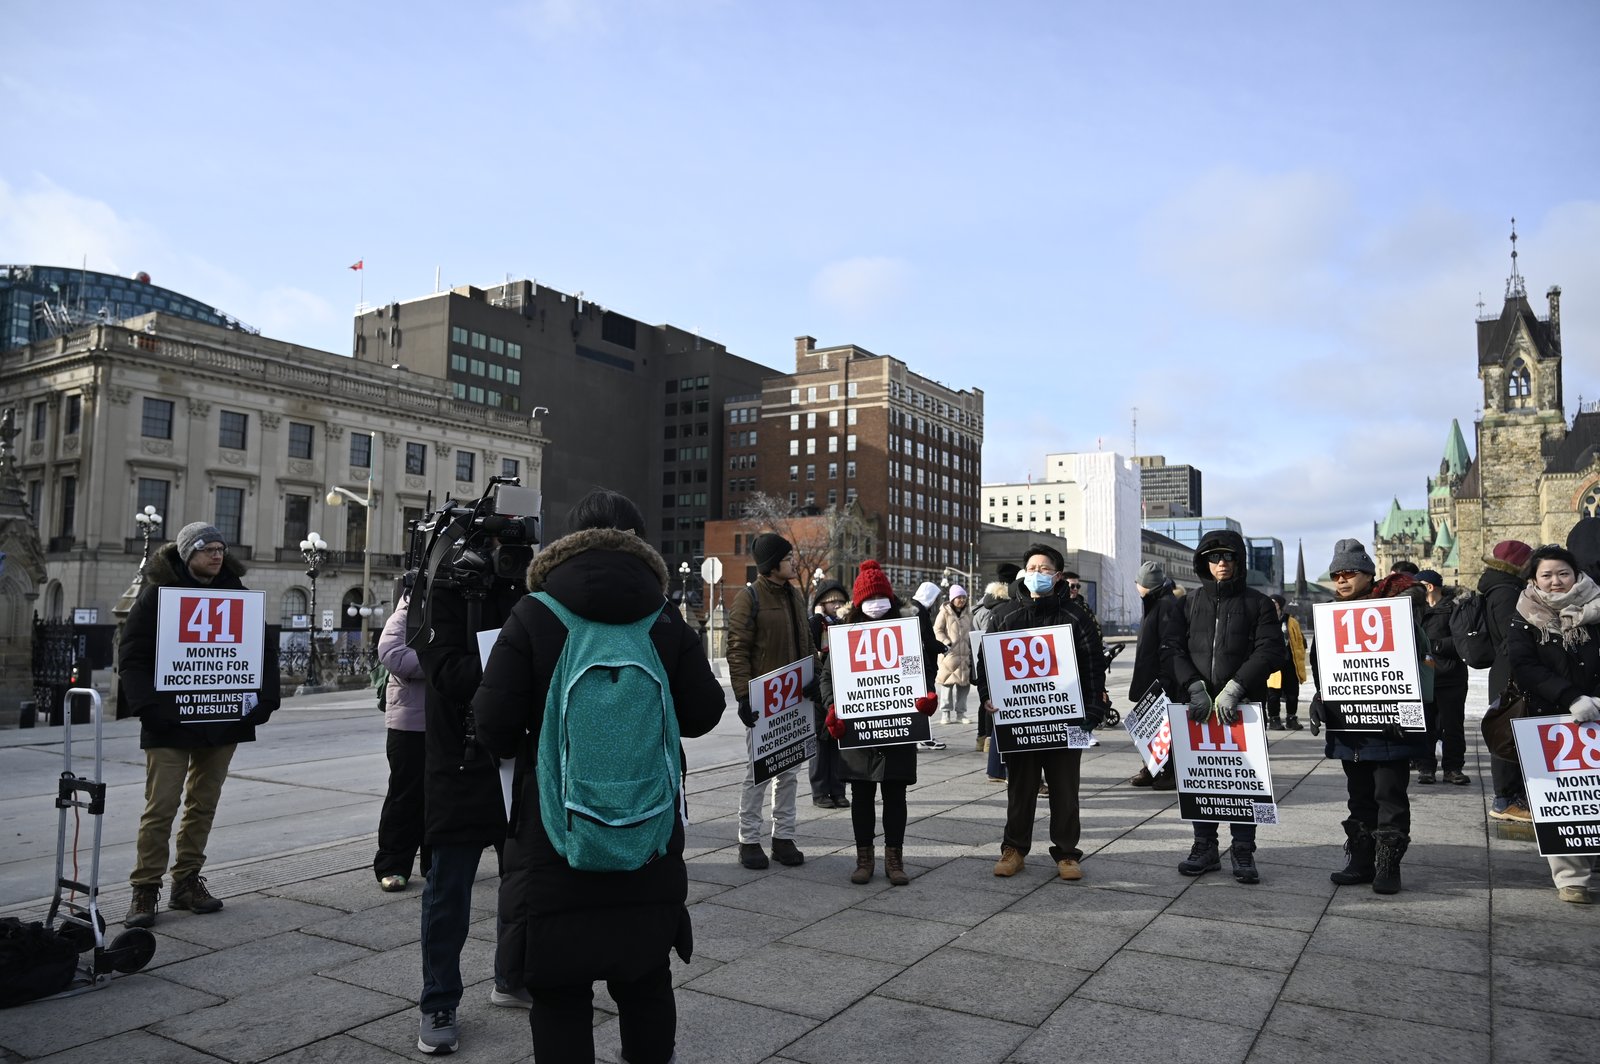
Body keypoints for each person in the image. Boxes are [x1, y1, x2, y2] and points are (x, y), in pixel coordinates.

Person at [474, 488, 726, 1062]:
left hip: (555, 837)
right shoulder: (662, 616)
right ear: (638, 542)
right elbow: (705, 713)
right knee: (646, 987)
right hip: (649, 838)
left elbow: (491, 724)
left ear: (569, 540)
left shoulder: (535, 611)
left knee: (559, 994)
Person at [118, 522, 279, 928]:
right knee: (161, 807)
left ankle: (187, 881)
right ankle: (145, 888)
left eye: (221, 549)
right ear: (187, 553)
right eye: (208, 548)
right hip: (169, 718)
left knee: (203, 804)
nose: (217, 555)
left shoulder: (236, 595)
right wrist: (147, 708)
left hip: (222, 719)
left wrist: (266, 700)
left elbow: (263, 651)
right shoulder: (157, 596)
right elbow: (132, 655)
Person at [410, 524, 530, 1052]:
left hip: (515, 753)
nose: (506, 558)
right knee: (449, 889)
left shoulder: (528, 593)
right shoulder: (441, 591)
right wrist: (510, 666)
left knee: (523, 881)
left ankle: (513, 977)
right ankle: (439, 1001)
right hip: (458, 757)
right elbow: (447, 673)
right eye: (496, 546)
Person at [977, 544, 1108, 882]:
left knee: (1066, 789)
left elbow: (1095, 664)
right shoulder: (1005, 614)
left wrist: (1093, 710)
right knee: (1020, 788)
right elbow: (986, 662)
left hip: (1069, 717)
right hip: (1020, 719)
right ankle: (1014, 849)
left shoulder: (1078, 614)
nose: (1038, 574)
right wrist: (988, 696)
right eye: (1033, 568)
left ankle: (1067, 854)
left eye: (1045, 569)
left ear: (1058, 575)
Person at [1312, 539, 1434, 895]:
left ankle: (1387, 865)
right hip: (1350, 727)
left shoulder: (1396, 610)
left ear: (1368, 573)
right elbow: (1325, 665)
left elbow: (1418, 664)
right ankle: (1362, 860)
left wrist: (1409, 712)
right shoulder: (1332, 616)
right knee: (1359, 796)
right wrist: (1321, 698)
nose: (1342, 580)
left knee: (1389, 795)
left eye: (1349, 572)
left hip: (1389, 725)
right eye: (1336, 574)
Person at [1163, 531, 1285, 884]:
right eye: (1214, 558)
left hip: (1240, 706)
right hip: (1199, 708)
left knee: (1242, 779)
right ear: (1203, 562)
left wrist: (1237, 686)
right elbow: (1171, 648)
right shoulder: (1187, 603)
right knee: (1203, 777)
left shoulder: (1257, 603)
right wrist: (1192, 685)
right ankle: (1204, 846)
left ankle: (1243, 849)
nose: (1221, 564)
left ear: (1238, 562)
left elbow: (1270, 650)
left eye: (1228, 557)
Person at [818, 561, 936, 886]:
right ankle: (864, 857)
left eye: (881, 597)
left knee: (896, 796)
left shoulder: (907, 632)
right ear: (857, 603)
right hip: (859, 731)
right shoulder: (843, 636)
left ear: (891, 599)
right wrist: (832, 709)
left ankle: (894, 859)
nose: (876, 605)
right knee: (862, 795)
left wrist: (927, 694)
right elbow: (827, 677)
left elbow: (923, 671)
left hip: (898, 728)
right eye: (870, 599)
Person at [1504, 543, 1600, 904]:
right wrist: (1570, 697)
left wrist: (1595, 699)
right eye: (1547, 575)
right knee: (1566, 798)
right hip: (1551, 719)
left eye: (1563, 573)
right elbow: (1525, 666)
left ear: (1576, 575)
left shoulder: (1598, 606)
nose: (1556, 581)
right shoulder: (1524, 615)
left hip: (1599, 712)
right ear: (1534, 580)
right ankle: (1572, 879)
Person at [727, 532, 817, 869]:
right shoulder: (749, 598)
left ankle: (784, 837)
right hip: (764, 701)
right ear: (771, 565)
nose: (794, 561)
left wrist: (813, 679)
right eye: (788, 557)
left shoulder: (794, 595)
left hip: (795, 699)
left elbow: (806, 641)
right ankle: (749, 840)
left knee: (790, 772)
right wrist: (742, 696)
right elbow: (736, 649)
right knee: (758, 773)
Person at [374, 575, 429, 891]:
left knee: (439, 794)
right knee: (405, 794)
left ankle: (433, 861)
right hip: (409, 723)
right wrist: (440, 662)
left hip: (443, 718)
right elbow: (392, 653)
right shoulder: (407, 612)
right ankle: (393, 863)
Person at [1481, 539, 1535, 822]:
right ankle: (1505, 799)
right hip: (1508, 672)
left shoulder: (1501, 588)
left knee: (1510, 731)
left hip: (1507, 670)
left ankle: (1513, 796)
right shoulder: (1506, 591)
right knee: (1505, 733)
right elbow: (1511, 637)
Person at [1413, 569, 1471, 786]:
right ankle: (1426, 768)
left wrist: (1433, 645)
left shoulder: (1454, 607)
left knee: (1452, 726)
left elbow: (1462, 640)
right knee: (1424, 725)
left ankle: (1453, 768)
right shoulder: (1413, 610)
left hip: (1449, 675)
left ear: (1428, 587)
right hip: (1422, 677)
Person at [1126, 561, 1180, 790]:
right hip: (1152, 678)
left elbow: (1168, 646)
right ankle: (1152, 767)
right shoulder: (1156, 603)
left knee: (1164, 728)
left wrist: (1164, 680)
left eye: (1138, 582)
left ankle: (1168, 772)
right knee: (1150, 728)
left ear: (1144, 585)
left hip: (1161, 680)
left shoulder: (1165, 605)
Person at [807, 578, 851, 809]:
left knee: (839, 740)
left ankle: (838, 789)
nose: (836, 605)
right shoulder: (815, 624)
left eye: (840, 601)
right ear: (822, 603)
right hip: (818, 688)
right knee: (821, 741)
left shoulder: (846, 623)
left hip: (841, 685)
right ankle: (820, 791)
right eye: (832, 601)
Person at [911, 580, 949, 750]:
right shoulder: (920, 611)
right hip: (923, 662)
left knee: (920, 699)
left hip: (918, 662)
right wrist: (942, 647)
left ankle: (919, 735)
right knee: (926, 698)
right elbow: (926, 639)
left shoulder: (914, 608)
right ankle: (923, 736)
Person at [1264, 594, 1308, 732]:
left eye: (1275, 602)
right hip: (1272, 662)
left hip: (1290, 661)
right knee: (1273, 692)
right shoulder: (1264, 620)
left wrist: (1300, 656)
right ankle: (1274, 719)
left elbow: (1300, 641)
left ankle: (1291, 718)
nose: (1272, 604)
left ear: (1280, 605)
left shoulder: (1291, 621)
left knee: (1292, 692)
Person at [933, 584, 973, 726]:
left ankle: (961, 714)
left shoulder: (969, 612)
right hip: (949, 655)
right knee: (947, 684)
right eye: (958, 597)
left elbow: (973, 629)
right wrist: (946, 643)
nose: (961, 600)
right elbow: (937, 630)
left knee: (964, 685)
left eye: (963, 597)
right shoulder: (944, 612)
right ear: (952, 599)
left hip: (965, 654)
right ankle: (945, 713)